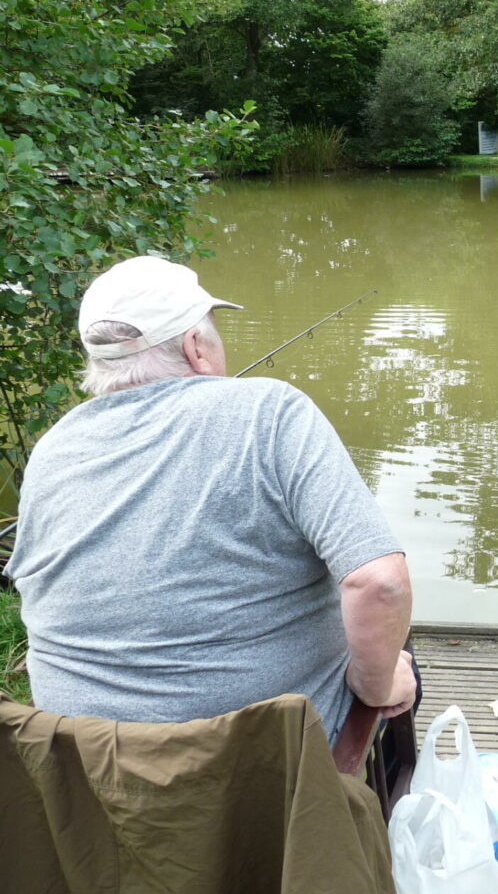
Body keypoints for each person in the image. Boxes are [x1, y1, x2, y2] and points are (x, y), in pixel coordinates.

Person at [4, 255, 417, 746]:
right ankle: (372, 815)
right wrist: (374, 687)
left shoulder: (55, 446)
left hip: (85, 773)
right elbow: (379, 585)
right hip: (256, 773)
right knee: (393, 654)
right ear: (195, 346)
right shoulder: (269, 412)